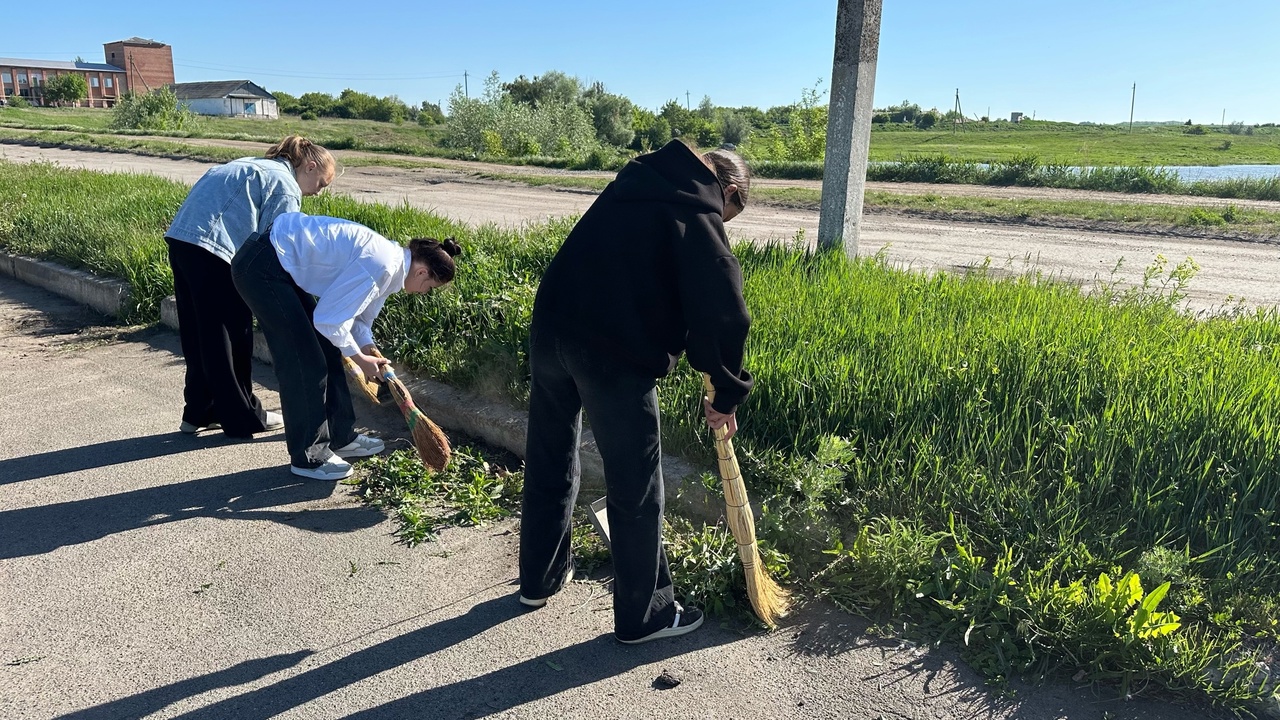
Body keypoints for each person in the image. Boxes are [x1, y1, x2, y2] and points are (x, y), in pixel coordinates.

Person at [518, 139, 753, 644]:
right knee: (636, 484)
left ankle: (538, 580)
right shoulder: (697, 208)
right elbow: (723, 310)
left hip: (551, 329)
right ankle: (645, 616)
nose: (721, 221)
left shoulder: (633, 184)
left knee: (549, 455)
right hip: (612, 354)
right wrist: (727, 392)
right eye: (727, 213)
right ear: (728, 190)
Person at [231, 211, 461, 481]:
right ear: (422, 271)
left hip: (278, 263)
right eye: (430, 286)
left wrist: (370, 352)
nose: (424, 292)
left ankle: (342, 435)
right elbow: (329, 320)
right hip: (263, 267)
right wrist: (361, 361)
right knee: (306, 363)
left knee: (330, 350)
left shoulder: (392, 268)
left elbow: (358, 322)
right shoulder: (382, 265)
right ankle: (309, 457)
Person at [165, 135, 336, 438]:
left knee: (199, 333)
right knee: (234, 333)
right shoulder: (284, 184)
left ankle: (199, 411)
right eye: (321, 184)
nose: (317, 193)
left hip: (182, 240)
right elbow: (279, 245)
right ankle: (242, 416)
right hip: (213, 249)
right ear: (309, 167)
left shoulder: (253, 165)